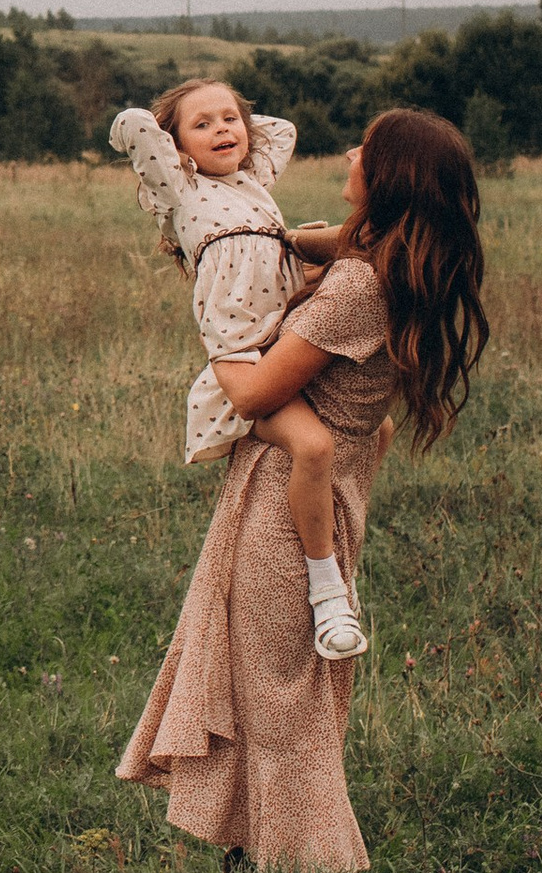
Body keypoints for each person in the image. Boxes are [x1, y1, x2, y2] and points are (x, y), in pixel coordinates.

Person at [115, 108, 487, 873]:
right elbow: (321, 242)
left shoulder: (356, 287)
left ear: (389, 176)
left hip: (285, 504)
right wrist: (257, 240)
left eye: (366, 148)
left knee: (277, 695)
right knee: (275, 685)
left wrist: (220, 334)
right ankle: (258, 868)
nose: (351, 151)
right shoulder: (389, 261)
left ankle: (304, 869)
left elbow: (255, 396)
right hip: (319, 489)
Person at [111, 76, 363, 657]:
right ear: (174, 147)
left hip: (288, 330)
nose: (223, 130)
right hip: (242, 356)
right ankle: (328, 594)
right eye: (202, 125)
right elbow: (132, 125)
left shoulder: (252, 182)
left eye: (230, 119)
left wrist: (226, 121)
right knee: (314, 446)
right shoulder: (180, 189)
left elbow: (281, 130)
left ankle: (343, 534)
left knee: (379, 427)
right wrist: (177, 140)